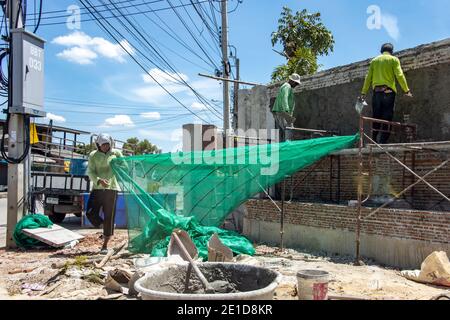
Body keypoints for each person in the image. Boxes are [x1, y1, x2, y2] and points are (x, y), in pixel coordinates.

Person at [360, 43, 413, 144]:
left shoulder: (374, 61)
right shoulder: (393, 60)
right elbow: (400, 75)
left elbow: (368, 78)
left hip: (376, 93)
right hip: (388, 92)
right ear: (391, 51)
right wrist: (406, 90)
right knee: (387, 117)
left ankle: (374, 140)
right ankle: (382, 141)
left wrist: (363, 93)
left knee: (376, 117)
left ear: (381, 51)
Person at [86, 133, 124, 253]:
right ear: (98, 145)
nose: (105, 147)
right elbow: (90, 172)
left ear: (111, 144)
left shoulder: (116, 154)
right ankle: (105, 226)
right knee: (90, 213)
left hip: (112, 189)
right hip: (97, 188)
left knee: (109, 216)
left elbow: (125, 166)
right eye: (103, 145)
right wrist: (98, 180)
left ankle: (105, 246)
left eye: (107, 144)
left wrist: (119, 165)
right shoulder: (93, 155)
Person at [272, 73, 302, 141]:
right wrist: (287, 111)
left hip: (279, 112)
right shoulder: (287, 86)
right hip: (283, 112)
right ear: (293, 81)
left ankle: (281, 148)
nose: (296, 85)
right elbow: (284, 98)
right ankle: (287, 147)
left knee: (281, 132)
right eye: (296, 83)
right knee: (289, 130)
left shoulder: (285, 86)